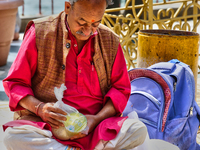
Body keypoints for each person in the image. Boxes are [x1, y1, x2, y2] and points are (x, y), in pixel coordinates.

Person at [2, 0, 179, 150]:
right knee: (13, 137)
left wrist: (96, 119)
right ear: (67, 8)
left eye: (95, 24)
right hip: (49, 125)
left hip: (95, 127)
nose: (87, 31)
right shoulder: (40, 32)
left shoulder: (109, 40)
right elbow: (15, 83)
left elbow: (120, 88)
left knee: (136, 130)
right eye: (82, 22)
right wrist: (40, 108)